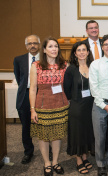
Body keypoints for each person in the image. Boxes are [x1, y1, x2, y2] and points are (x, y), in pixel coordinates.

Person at [29, 37, 68, 176]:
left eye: (56, 46)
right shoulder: (36, 66)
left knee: (57, 135)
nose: (54, 49)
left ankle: (56, 161)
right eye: (51, 46)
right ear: (44, 50)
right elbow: (33, 89)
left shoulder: (65, 65)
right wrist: (32, 109)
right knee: (43, 136)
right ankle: (46, 162)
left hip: (60, 104)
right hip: (42, 105)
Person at [89, 34, 108, 176]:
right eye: (106, 44)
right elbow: (93, 87)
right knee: (99, 137)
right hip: (100, 106)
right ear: (102, 46)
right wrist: (104, 105)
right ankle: (100, 163)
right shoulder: (95, 64)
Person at [63, 41, 94, 174]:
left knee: (87, 132)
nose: (82, 52)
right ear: (75, 53)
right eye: (79, 50)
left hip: (91, 105)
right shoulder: (71, 69)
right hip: (77, 105)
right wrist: (74, 99)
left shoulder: (93, 66)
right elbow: (67, 89)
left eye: (84, 50)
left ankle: (85, 157)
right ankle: (78, 160)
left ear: (88, 52)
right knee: (77, 133)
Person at [13, 35, 40, 164]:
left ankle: (49, 150)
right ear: (26, 46)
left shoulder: (45, 59)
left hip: (42, 95)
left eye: (35, 43)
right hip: (25, 95)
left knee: (45, 123)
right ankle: (28, 152)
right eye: (30, 43)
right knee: (26, 126)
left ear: (39, 45)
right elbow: (19, 79)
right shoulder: (19, 60)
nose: (33, 45)